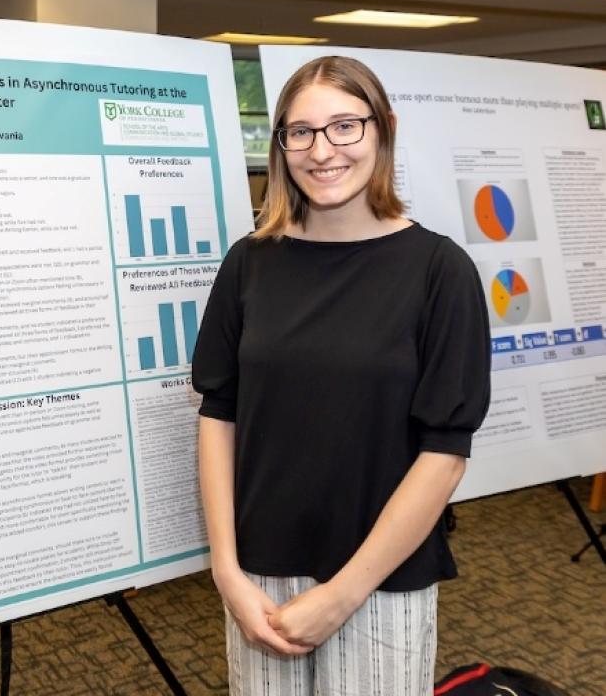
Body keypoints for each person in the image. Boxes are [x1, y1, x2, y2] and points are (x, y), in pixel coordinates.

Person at [192, 55, 491, 696]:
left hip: (380, 579)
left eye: (344, 126)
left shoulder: (440, 272)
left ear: (384, 129)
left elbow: (445, 454)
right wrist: (225, 569)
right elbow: (219, 413)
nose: (322, 150)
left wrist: (342, 594)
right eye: (301, 132)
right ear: (280, 144)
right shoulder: (249, 263)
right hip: (258, 576)